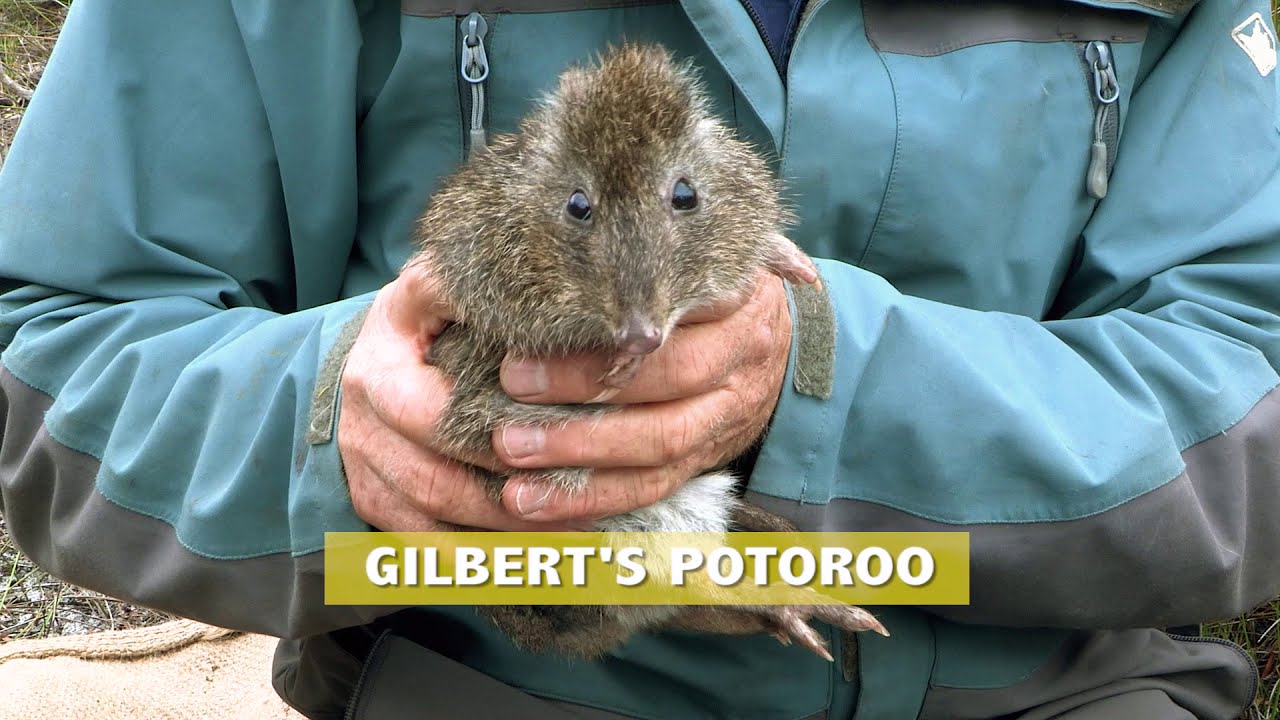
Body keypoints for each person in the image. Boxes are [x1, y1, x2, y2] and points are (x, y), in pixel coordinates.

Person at [1, 0, 1278, 717]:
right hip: (489, 688)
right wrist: (335, 428)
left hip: (1052, 696)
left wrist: (832, 384)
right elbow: (59, 348)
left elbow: (1249, 388)